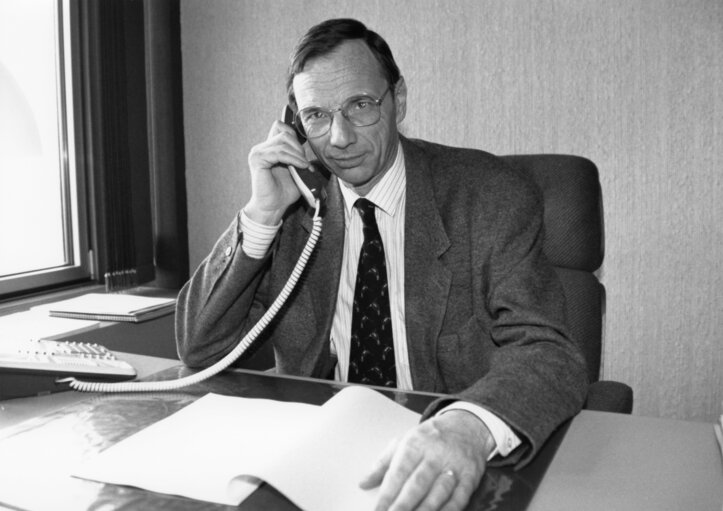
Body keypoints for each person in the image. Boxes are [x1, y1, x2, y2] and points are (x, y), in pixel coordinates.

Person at [176, 18, 587, 511]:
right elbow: (201, 348)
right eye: (316, 116)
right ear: (294, 124)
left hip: (443, 451)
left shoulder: (489, 196)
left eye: (361, 105)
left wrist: (466, 426)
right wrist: (262, 215)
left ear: (400, 100)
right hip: (318, 457)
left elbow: (550, 351)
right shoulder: (296, 211)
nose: (340, 137)